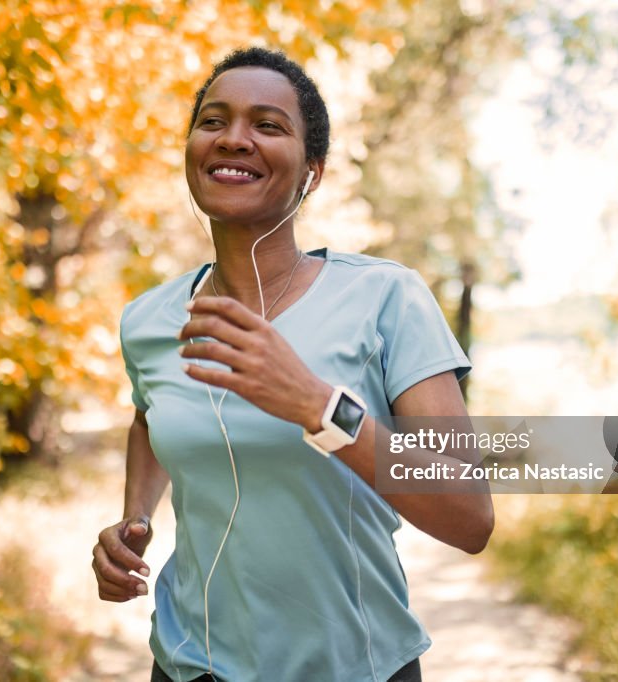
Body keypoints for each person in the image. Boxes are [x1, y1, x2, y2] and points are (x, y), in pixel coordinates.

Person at [92, 47, 494, 682]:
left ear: (313, 171)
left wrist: (316, 405)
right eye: (213, 121)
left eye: (268, 125)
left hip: (351, 667)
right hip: (185, 666)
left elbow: (469, 514)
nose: (234, 140)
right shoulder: (148, 320)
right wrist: (135, 516)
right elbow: (149, 418)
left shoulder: (387, 298)